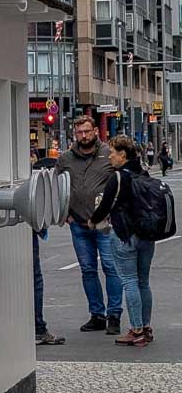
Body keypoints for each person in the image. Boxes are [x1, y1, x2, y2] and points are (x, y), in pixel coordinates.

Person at [56, 115, 123, 334]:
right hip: (78, 224)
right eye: (79, 132)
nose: (84, 136)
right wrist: (66, 215)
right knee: (88, 270)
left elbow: (124, 181)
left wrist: (117, 213)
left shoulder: (108, 154)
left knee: (111, 268)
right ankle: (97, 315)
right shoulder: (65, 158)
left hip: (105, 224)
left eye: (87, 131)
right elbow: (56, 187)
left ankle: (114, 315)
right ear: (74, 134)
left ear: (95, 131)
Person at [89, 135, 153, 347]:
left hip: (125, 234)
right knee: (143, 282)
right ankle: (146, 327)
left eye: (112, 153)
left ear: (122, 154)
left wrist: (93, 221)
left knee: (129, 281)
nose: (109, 157)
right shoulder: (143, 173)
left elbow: (105, 205)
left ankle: (136, 330)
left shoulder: (118, 177)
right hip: (146, 235)